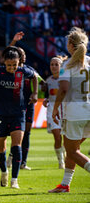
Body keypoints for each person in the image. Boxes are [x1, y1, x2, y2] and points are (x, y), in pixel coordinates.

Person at [0, 45, 38, 189]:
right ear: (4, 62)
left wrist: (34, 93)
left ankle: (14, 180)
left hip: (18, 113)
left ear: (19, 63)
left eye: (15, 65)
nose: (12, 68)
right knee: (1, 149)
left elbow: (35, 76)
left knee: (17, 146)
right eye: (9, 65)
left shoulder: (24, 71)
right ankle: (4, 171)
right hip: (0, 113)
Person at [49, 27, 90, 193]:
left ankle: (65, 184)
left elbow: (64, 88)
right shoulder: (88, 61)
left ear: (71, 45)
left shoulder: (68, 64)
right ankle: (65, 185)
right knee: (74, 150)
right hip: (88, 110)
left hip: (74, 113)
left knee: (71, 151)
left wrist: (55, 108)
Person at [6, 32, 45, 170]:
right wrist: (13, 41)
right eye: (21, 54)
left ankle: (23, 162)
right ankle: (11, 155)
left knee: (27, 132)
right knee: (16, 132)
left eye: (24, 54)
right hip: (15, 105)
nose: (24, 56)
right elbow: (7, 53)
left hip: (28, 105)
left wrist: (37, 94)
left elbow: (41, 82)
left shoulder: (29, 70)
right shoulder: (11, 69)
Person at [43, 56, 68, 169]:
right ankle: (61, 161)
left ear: (61, 66)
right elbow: (47, 95)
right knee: (57, 137)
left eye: (56, 64)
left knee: (67, 138)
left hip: (66, 109)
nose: (53, 66)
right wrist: (46, 99)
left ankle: (67, 155)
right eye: (52, 64)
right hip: (52, 110)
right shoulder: (48, 81)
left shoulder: (66, 80)